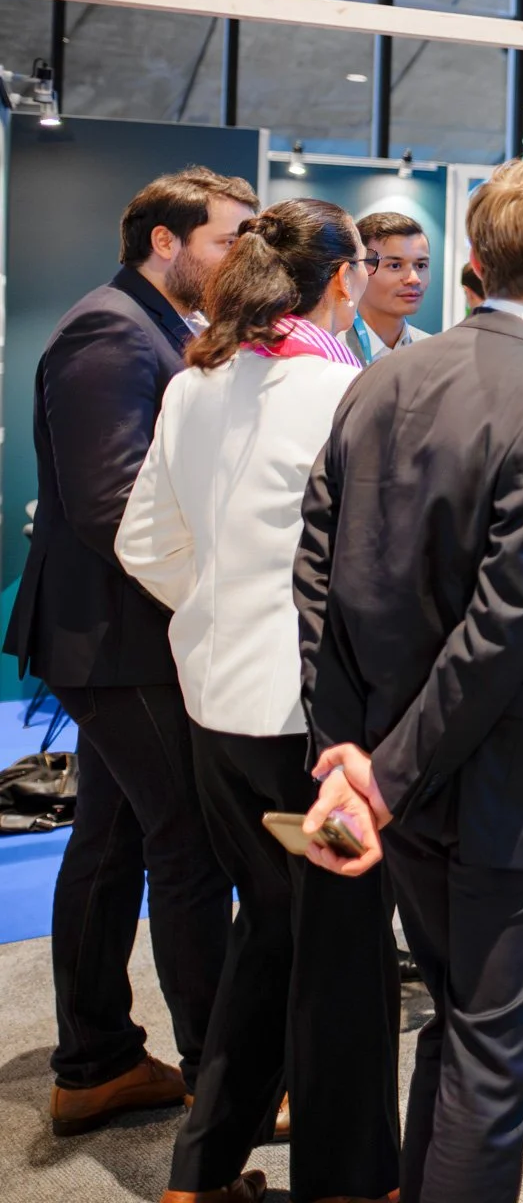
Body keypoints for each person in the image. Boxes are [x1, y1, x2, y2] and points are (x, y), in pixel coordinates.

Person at [294, 159, 523, 1203]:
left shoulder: (376, 374)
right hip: (505, 785)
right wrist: (379, 771)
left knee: (456, 1024)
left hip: (396, 765)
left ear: (471, 262)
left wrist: (347, 747)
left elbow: (318, 572)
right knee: (494, 1048)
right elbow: (506, 623)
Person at [116, 198, 397, 1203]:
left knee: (271, 932)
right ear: (340, 277)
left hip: (216, 704)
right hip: (313, 726)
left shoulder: (197, 383)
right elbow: (378, 572)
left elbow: (142, 544)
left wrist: (218, 608)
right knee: (343, 957)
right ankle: (351, 1181)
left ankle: (202, 1170)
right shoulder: (344, 387)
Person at [3, 167, 256, 1138]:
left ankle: (95, 1060)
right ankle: (219, 1078)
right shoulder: (111, 330)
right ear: (166, 239)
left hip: (123, 635)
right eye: (228, 237)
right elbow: (111, 506)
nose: (241, 257)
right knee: (186, 839)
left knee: (109, 845)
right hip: (115, 637)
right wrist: (215, 602)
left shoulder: (149, 324)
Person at [341, 210, 430, 362]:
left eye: (421, 265)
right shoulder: (332, 352)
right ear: (357, 270)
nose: (414, 279)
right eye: (395, 265)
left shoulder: (432, 352)